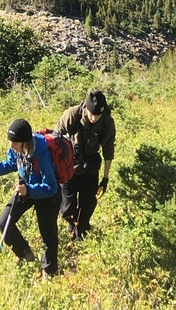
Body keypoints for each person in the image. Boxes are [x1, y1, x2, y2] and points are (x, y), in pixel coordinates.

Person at [0, 118, 59, 277]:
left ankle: (49, 271)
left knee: (48, 235)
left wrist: (28, 190)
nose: (12, 146)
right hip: (26, 187)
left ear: (25, 141)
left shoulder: (42, 154)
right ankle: (25, 254)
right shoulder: (17, 149)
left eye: (15, 143)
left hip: (46, 195)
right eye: (11, 142)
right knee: (4, 222)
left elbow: (51, 187)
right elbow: (12, 163)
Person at [54, 88, 116, 241]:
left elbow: (108, 151)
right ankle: (73, 224)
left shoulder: (107, 122)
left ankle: (80, 233)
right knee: (66, 209)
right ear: (86, 109)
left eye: (97, 115)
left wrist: (105, 179)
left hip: (90, 167)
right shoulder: (72, 115)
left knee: (87, 207)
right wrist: (54, 169)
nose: (94, 118)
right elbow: (55, 139)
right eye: (91, 114)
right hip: (69, 166)